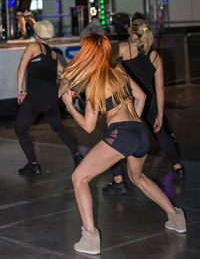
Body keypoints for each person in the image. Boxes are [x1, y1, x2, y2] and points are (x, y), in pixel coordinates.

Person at [60, 32, 187, 255]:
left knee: (79, 178)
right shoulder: (117, 69)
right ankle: (176, 217)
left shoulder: (94, 82)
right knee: (138, 177)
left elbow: (89, 126)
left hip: (123, 134)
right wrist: (133, 124)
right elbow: (141, 97)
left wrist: (69, 105)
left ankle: (89, 238)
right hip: (140, 132)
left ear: (87, 52)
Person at [103, 18, 185, 195]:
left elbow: (108, 64)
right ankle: (177, 166)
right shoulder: (156, 57)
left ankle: (118, 180)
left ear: (132, 34)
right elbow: (160, 88)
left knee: (114, 137)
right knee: (161, 133)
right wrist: (160, 115)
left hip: (129, 101)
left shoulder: (125, 48)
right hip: (151, 101)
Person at [15, 20, 83, 175]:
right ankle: (77, 156)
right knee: (58, 127)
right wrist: (59, 93)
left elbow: (21, 68)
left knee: (20, 129)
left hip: (35, 97)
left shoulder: (33, 47)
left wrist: (20, 91)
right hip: (50, 99)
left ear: (37, 35)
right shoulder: (53, 54)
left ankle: (33, 164)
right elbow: (67, 77)